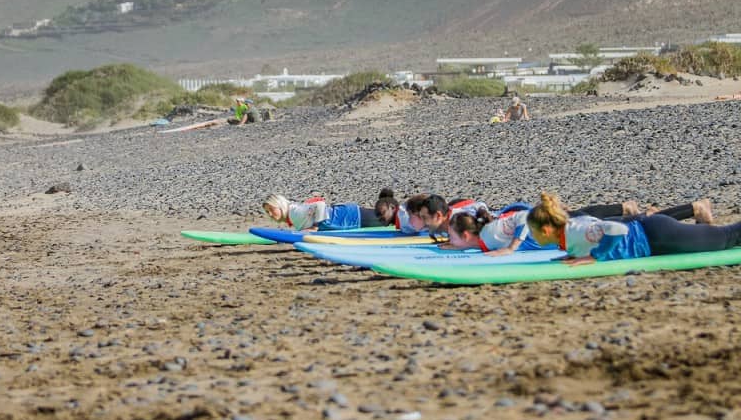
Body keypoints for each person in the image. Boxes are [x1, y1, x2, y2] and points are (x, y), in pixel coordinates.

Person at [526, 193, 741, 265]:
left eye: (533, 232)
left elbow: (616, 229)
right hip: (654, 235)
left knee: (727, 238)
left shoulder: (576, 230)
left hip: (656, 237)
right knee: (713, 238)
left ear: (546, 230)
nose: (532, 236)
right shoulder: (569, 230)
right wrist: (573, 255)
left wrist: (594, 257)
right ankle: (701, 229)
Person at [444, 199, 713, 255]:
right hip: (570, 231)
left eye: (451, 236)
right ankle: (690, 209)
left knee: (638, 225)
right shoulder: (484, 239)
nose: (449, 240)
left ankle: (695, 208)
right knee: (638, 222)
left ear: (466, 234)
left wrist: (513, 247)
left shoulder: (490, 236)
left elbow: (523, 216)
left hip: (574, 228)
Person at [262, 194, 380, 231]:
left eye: (272, 209)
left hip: (349, 216)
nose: (271, 214)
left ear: (280, 205)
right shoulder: (292, 213)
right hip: (346, 216)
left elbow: (320, 204)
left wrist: (315, 226)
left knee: (390, 219)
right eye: (268, 212)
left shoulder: (294, 212)